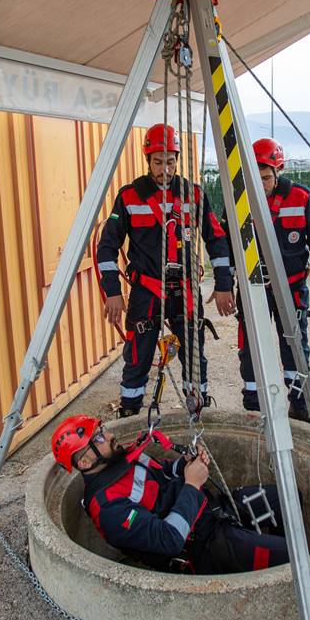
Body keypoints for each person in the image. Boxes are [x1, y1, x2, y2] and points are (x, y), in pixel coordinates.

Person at [96, 123, 235, 416]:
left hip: (185, 290)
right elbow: (106, 247)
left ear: (177, 159)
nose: (165, 169)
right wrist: (112, 292)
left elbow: (217, 239)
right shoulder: (130, 196)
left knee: (195, 357)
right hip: (146, 292)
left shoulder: (193, 194)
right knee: (138, 357)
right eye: (158, 162)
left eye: (171, 161)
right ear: (148, 160)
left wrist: (224, 284)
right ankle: (130, 413)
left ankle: (198, 413)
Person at [51, 415, 291, 573]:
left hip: (214, 509)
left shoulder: (122, 458)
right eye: (99, 437)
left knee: (289, 499)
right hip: (206, 546)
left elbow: (162, 471)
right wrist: (192, 484)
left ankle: (264, 550)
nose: (109, 435)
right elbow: (169, 539)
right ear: (84, 462)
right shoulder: (109, 510)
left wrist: (185, 464)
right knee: (293, 555)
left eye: (102, 429)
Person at [236, 138, 310, 422]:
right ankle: (253, 404)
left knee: (294, 344)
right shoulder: (240, 199)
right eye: (255, 177)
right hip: (253, 286)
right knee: (250, 346)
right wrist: (222, 285)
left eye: (265, 178)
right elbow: (227, 244)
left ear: (278, 172)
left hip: (291, 286)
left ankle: (299, 403)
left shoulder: (301, 198)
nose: (260, 184)